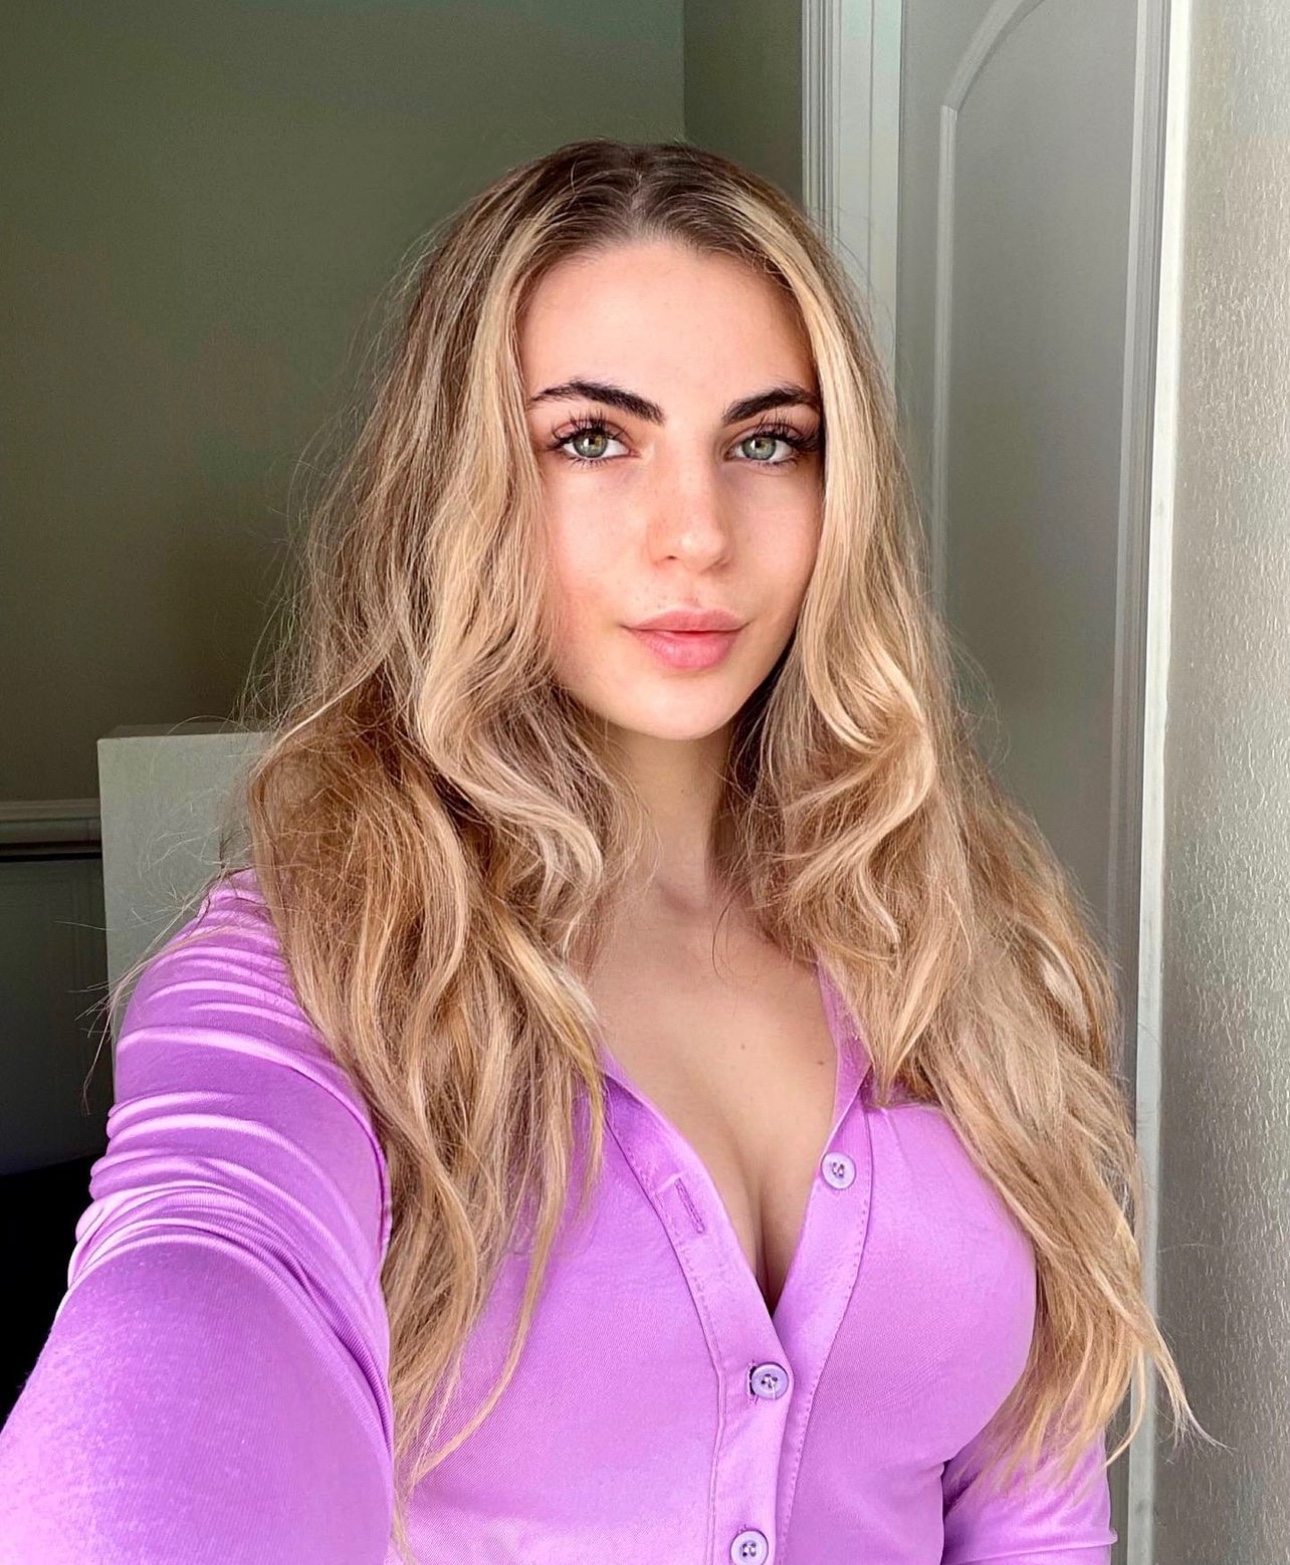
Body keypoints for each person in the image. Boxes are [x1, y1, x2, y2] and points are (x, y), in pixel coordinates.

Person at [0, 138, 1205, 1564]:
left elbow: (1028, 1504)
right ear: (461, 488)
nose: (695, 534)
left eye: (767, 440)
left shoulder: (958, 937)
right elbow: (198, 1286)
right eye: (590, 438)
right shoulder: (320, 964)